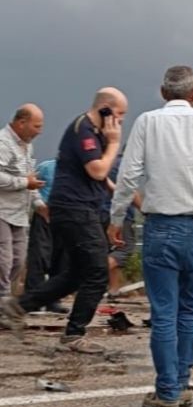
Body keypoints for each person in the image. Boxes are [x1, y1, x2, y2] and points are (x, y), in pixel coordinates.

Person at [109, 66, 193, 407]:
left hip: (162, 227)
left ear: (162, 91)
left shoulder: (147, 122)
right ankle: (182, 383)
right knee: (189, 310)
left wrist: (115, 218)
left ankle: (167, 391)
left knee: (165, 314)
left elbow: (128, 177)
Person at [1, 90, 127, 354]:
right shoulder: (84, 130)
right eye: (119, 114)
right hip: (75, 210)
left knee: (76, 274)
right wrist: (115, 143)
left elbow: (101, 179)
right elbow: (98, 169)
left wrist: (130, 201)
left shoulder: (94, 131)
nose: (120, 121)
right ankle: (73, 334)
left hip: (77, 210)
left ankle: (18, 306)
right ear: (105, 109)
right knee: (97, 272)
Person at [0, 104, 47, 298]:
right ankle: (3, 302)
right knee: (4, 259)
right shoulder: (3, 143)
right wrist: (23, 182)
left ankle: (5, 297)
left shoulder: (27, 145)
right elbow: (25, 180)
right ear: (21, 123)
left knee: (19, 259)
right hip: (1, 210)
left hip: (19, 213)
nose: (40, 131)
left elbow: (30, 179)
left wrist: (39, 204)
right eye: (36, 126)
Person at [23, 158, 68, 313]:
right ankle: (32, 298)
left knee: (61, 259)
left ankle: (53, 300)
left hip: (66, 216)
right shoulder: (46, 167)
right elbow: (31, 185)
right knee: (39, 256)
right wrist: (39, 205)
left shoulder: (78, 170)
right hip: (44, 214)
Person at [105, 152, 142, 295]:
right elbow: (130, 191)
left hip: (101, 212)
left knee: (112, 252)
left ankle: (113, 290)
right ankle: (91, 274)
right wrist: (145, 211)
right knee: (124, 249)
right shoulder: (127, 166)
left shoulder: (110, 162)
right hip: (120, 215)